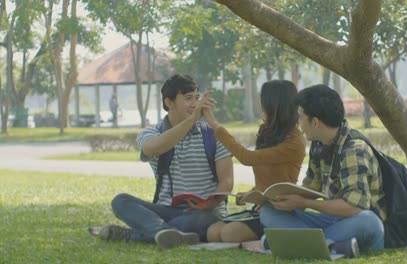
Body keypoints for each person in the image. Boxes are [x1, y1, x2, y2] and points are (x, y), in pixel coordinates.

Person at [92, 74, 234, 249]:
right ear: (169, 102)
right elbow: (153, 149)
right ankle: (166, 232)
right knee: (121, 201)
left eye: (197, 98)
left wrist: (209, 204)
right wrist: (191, 121)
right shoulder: (150, 133)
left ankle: (141, 234)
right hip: (165, 211)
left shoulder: (214, 135)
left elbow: (227, 181)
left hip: (203, 213)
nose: (194, 104)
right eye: (188, 98)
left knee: (201, 219)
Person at [259, 84, 386, 258]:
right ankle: (333, 246)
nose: (299, 123)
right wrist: (280, 199)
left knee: (369, 222)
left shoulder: (354, 149)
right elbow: (311, 188)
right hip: (332, 220)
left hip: (356, 221)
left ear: (315, 122)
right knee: (269, 212)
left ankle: (304, 243)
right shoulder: (319, 144)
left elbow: (353, 207)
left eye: (301, 117)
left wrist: (304, 204)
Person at [203, 80, 306, 243]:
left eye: (263, 102)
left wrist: (213, 123)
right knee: (212, 232)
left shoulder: (295, 141)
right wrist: (249, 195)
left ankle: (269, 239)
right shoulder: (266, 131)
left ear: (274, 105)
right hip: (260, 207)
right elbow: (265, 180)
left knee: (229, 234)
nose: (261, 106)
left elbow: (247, 158)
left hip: (280, 210)